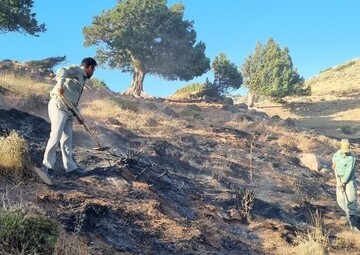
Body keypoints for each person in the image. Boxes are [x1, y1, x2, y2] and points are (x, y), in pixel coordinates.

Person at [34, 57, 97, 185]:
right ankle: (46, 166)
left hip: (69, 110)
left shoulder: (82, 79)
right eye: (93, 70)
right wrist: (60, 85)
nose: (93, 72)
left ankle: (71, 169)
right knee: (56, 135)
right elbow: (62, 70)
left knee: (67, 140)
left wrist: (78, 115)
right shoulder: (77, 70)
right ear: (90, 67)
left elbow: (74, 100)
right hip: (59, 105)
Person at [332, 138, 359, 232]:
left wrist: (342, 182)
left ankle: (354, 223)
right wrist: (334, 164)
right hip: (339, 179)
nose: (345, 153)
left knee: (351, 201)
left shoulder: (351, 158)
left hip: (349, 181)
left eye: (347, 151)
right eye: (344, 151)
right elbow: (334, 160)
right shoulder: (337, 154)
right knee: (340, 200)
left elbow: (348, 172)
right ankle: (352, 214)